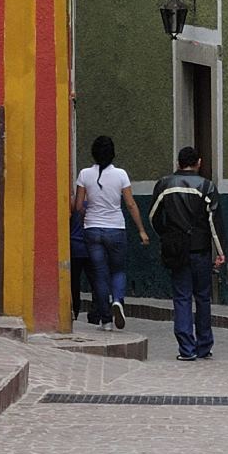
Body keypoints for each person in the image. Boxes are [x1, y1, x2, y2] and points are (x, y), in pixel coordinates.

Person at [149, 146, 225, 360]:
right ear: (199, 162)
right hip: (200, 249)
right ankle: (204, 345)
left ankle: (186, 348)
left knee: (181, 297)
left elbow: (154, 216)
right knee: (203, 297)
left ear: (178, 163)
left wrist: (166, 235)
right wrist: (220, 251)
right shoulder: (207, 186)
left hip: (177, 249)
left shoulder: (164, 185)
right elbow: (213, 222)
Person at [73, 135, 146, 329]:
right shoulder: (121, 174)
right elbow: (130, 204)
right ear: (112, 153)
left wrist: (87, 216)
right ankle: (118, 300)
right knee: (118, 270)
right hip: (116, 229)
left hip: (92, 229)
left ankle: (105, 320)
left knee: (99, 274)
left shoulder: (84, 174)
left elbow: (78, 206)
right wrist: (141, 230)